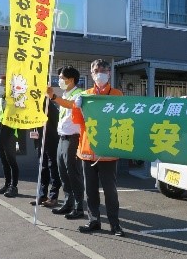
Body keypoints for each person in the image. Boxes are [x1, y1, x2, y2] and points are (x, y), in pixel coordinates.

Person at [72, 59, 125, 237]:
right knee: (90, 190)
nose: (100, 72)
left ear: (109, 73)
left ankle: (115, 224)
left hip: (108, 152)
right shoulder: (85, 95)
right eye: (96, 69)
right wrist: (76, 106)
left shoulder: (117, 95)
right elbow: (78, 122)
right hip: (87, 151)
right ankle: (93, 220)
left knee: (111, 191)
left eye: (104, 69)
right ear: (91, 73)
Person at [46, 66, 85, 219]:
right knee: (63, 172)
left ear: (71, 79)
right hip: (62, 138)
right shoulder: (65, 93)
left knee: (73, 173)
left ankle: (79, 207)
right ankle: (68, 203)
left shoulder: (79, 94)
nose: (59, 80)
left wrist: (54, 97)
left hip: (73, 139)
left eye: (62, 78)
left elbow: (72, 106)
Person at [30, 96, 61, 207]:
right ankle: (42, 195)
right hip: (39, 140)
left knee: (53, 167)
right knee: (42, 167)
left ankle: (53, 196)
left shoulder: (47, 102)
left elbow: (57, 119)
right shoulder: (32, 104)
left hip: (51, 139)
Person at [0, 75, 19, 198]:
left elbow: (18, 120)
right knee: (4, 162)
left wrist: (18, 140)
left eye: (2, 84)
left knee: (12, 162)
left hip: (10, 136)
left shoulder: (14, 101)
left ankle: (13, 187)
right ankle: (6, 184)